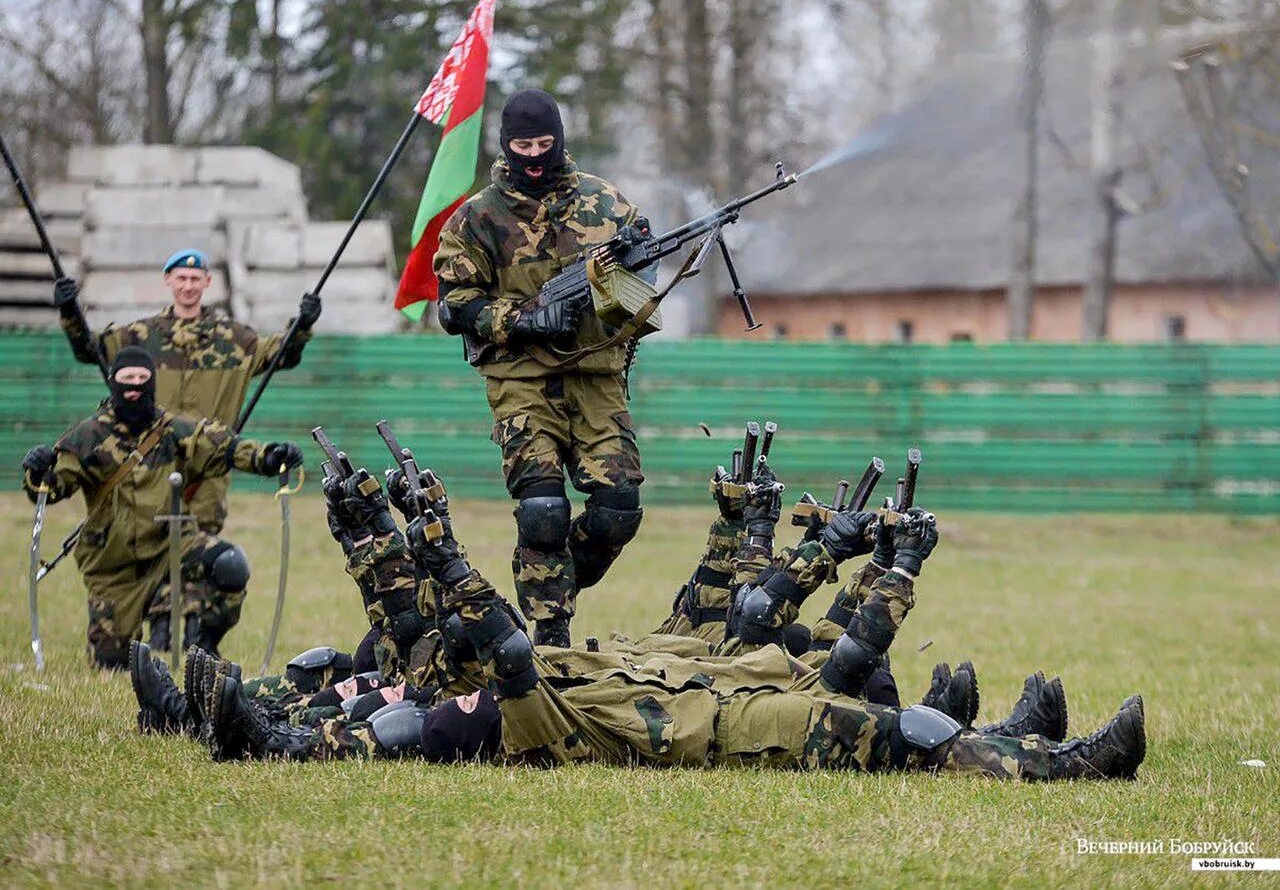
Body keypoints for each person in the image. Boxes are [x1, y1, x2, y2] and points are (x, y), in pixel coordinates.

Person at [193, 467, 1145, 781]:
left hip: (724, 686)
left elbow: (724, 607)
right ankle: (1054, 768)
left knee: (857, 683)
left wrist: (772, 532)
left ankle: (1012, 743)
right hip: (719, 724)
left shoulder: (536, 680)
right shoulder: (528, 717)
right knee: (893, 727)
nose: (457, 674)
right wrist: (422, 547)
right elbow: (486, 643)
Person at [433, 89, 646, 648]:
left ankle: (545, 583)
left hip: (597, 375)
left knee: (619, 510)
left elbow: (640, 286)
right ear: (505, 144)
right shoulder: (477, 218)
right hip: (520, 378)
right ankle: (550, 638)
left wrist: (630, 270)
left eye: (544, 143)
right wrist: (523, 319)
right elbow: (453, 304)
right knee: (544, 510)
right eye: (522, 144)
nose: (533, 155)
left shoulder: (608, 204)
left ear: (560, 139)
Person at [20, 346, 304, 666]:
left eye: (143, 379)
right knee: (111, 661)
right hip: (115, 568)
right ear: (113, 382)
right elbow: (49, 489)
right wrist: (37, 470)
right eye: (127, 379)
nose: (135, 387)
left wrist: (268, 456)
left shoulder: (172, 429)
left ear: (153, 383)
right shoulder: (87, 436)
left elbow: (224, 445)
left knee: (228, 563)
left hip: (172, 547)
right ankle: (140, 625)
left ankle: (201, 648)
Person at [52, 247, 321, 534]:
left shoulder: (236, 340)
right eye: (181, 278)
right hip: (149, 470)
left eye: (195, 278)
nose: (188, 286)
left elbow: (283, 355)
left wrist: (302, 325)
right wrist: (70, 312)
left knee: (202, 553)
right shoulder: (138, 336)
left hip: (208, 471)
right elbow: (89, 350)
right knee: (145, 546)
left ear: (207, 282)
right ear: (168, 279)